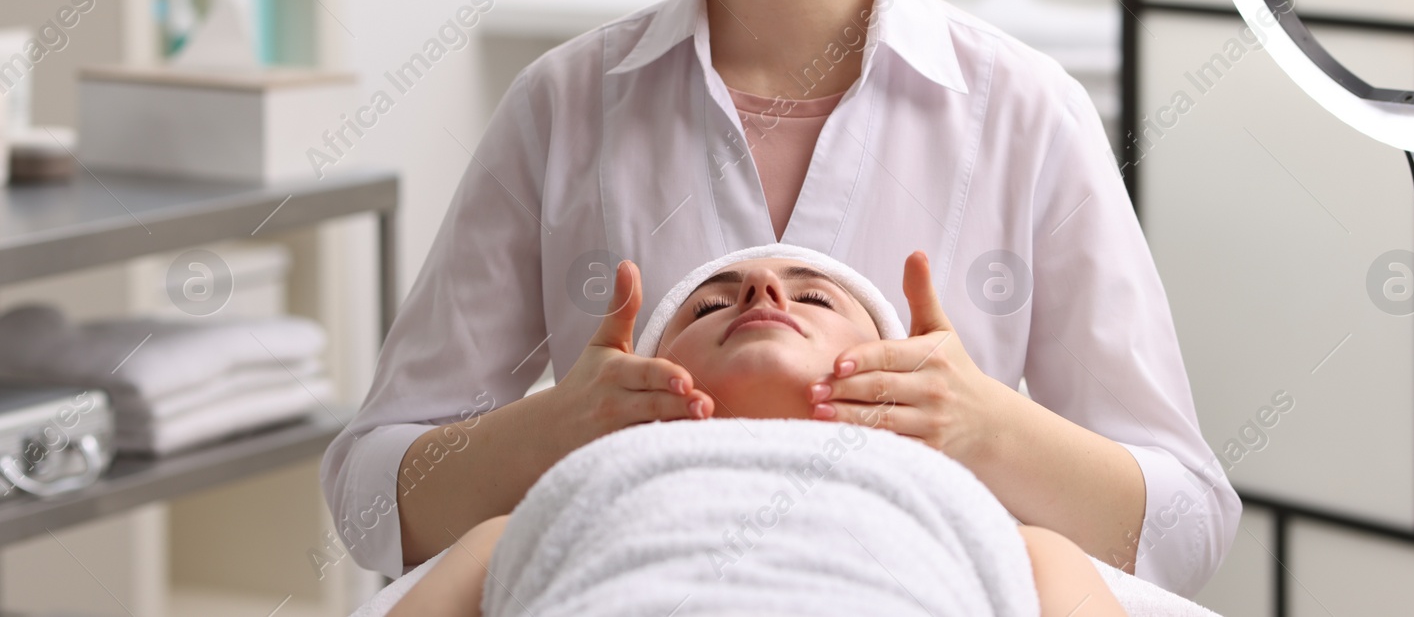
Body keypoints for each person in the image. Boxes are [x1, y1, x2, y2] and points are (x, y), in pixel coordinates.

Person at [319, 0, 1239, 598]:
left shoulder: (1022, 113)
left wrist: (987, 428)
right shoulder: (564, 108)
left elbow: (1185, 529)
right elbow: (367, 502)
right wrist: (549, 429)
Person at [385, 250, 1130, 617]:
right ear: (643, 381)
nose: (761, 290)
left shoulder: (1008, 532)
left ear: (899, 372)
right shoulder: (528, 519)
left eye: (811, 294)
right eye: (708, 308)